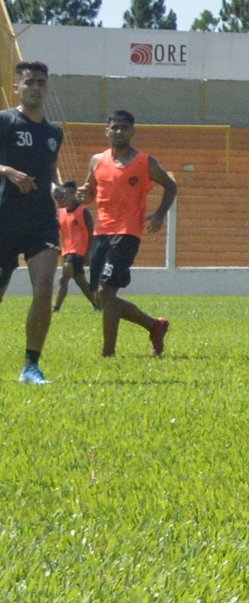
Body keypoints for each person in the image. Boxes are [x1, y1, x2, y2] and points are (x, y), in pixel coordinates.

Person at [81, 111, 176, 357]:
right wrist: (83, 194)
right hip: (101, 232)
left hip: (127, 232)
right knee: (101, 297)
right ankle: (154, 325)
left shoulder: (144, 162)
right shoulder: (97, 161)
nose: (119, 132)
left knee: (106, 292)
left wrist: (159, 214)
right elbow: (89, 191)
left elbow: (170, 185)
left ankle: (108, 352)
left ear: (133, 131)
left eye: (124, 127)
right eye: (115, 127)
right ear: (107, 130)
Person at [0, 61, 65, 384]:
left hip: (41, 221)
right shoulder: (5, 121)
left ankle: (31, 365)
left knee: (43, 290)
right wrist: (7, 171)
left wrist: (58, 190)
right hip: (4, 219)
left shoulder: (54, 132)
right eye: (29, 82)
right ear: (17, 87)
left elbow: (51, 171)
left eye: (41, 82)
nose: (35, 88)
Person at [52, 181, 93, 312]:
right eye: (65, 194)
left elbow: (91, 233)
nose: (66, 196)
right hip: (66, 250)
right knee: (80, 280)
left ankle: (56, 307)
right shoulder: (60, 212)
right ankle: (98, 304)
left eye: (70, 193)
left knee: (64, 277)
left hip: (78, 251)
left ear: (74, 194)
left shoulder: (83, 211)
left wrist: (89, 252)